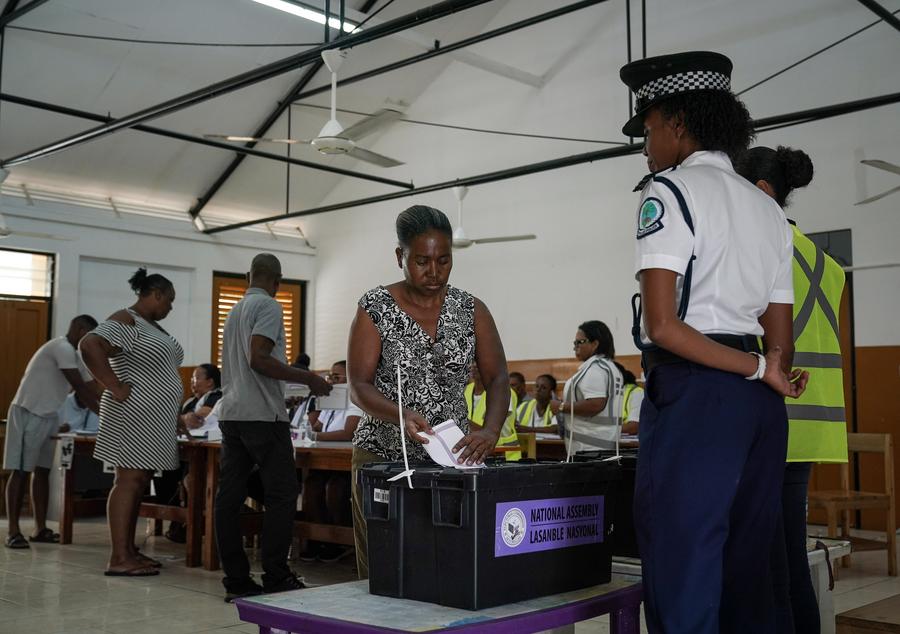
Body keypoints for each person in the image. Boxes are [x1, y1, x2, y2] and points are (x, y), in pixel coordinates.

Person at [620, 51, 809, 633]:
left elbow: (663, 326)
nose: (647, 146)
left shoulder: (669, 193)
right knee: (747, 571)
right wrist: (763, 371)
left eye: (648, 130)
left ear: (677, 123)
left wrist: (754, 369)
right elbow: (782, 341)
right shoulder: (769, 211)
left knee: (683, 563)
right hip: (760, 412)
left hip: (696, 392)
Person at [348, 205, 509, 579]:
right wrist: (399, 414)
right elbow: (358, 385)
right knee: (384, 571)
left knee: (446, 569)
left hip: (449, 462)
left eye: (444, 261)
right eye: (421, 261)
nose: (433, 272)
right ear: (399, 256)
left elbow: (498, 376)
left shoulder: (471, 310)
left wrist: (489, 430)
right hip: (382, 458)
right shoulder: (376, 307)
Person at [736, 145, 848, 634]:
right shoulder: (826, 263)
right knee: (789, 560)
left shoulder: (766, 247)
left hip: (776, 416)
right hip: (814, 422)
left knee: (774, 569)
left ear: (761, 192)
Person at [214, 253, 331, 603]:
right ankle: (277, 576)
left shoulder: (234, 311)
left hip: (232, 413)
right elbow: (259, 358)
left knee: (229, 499)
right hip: (263, 415)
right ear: (277, 282)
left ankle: (236, 580)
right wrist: (308, 377)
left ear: (248, 275)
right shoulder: (269, 307)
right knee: (281, 496)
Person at [80, 269, 187, 577]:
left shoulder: (148, 326)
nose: (170, 307)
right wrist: (114, 385)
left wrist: (173, 412)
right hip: (133, 412)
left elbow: (157, 371)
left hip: (152, 415)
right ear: (156, 293)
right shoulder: (128, 319)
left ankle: (128, 550)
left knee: (139, 482)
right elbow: (90, 345)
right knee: (128, 480)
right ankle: (118, 557)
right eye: (169, 300)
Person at [4, 315, 98, 549]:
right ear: (79, 328)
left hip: (49, 415)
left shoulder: (75, 355)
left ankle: (40, 528)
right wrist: (109, 418)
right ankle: (13, 531)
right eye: (89, 335)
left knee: (42, 472)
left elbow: (92, 387)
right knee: (21, 471)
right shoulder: (62, 347)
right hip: (29, 411)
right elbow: (79, 388)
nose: (91, 342)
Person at [298, 360, 362, 563]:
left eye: (337, 377)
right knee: (312, 486)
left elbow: (348, 433)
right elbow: (317, 426)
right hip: (323, 456)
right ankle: (318, 538)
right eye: (330, 377)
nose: (332, 381)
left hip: (344, 458)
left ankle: (339, 541)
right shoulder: (331, 399)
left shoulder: (355, 399)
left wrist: (315, 437)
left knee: (335, 489)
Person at [159, 363, 223, 543]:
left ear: (210, 382)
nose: (192, 382)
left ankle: (191, 522)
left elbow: (197, 420)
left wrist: (182, 419)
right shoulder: (191, 400)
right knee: (163, 472)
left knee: (191, 478)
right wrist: (182, 419)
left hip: (207, 453)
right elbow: (179, 420)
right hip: (183, 449)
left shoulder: (216, 396)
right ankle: (177, 519)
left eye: (196, 378)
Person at [558, 320, 624, 455]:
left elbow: (595, 405)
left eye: (579, 342)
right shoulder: (608, 367)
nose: (575, 347)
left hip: (588, 448)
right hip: (602, 444)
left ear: (595, 344)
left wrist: (561, 407)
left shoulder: (595, 370)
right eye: (574, 343)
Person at [465, 363, 519, 460]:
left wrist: (459, 421)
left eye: (478, 361)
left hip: (503, 455)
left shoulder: (503, 392)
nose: (474, 365)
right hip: (473, 452)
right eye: (472, 361)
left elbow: (487, 430)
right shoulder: (465, 390)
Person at [615, 362, 644, 436]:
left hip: (631, 444)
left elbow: (634, 427)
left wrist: (602, 430)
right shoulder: (604, 396)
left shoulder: (636, 393)